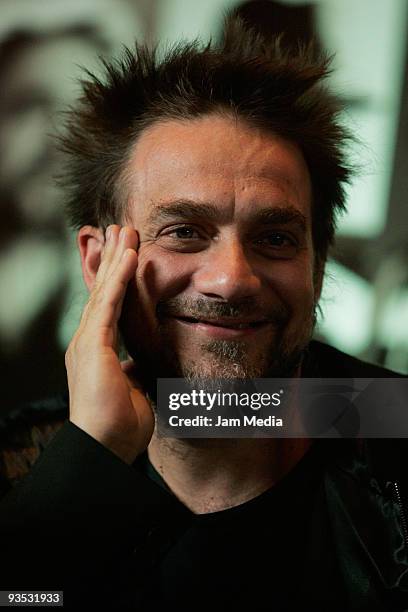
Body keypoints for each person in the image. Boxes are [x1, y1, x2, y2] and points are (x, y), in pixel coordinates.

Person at [0, 17, 407, 611]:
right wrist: (92, 458)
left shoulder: (390, 425)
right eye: (184, 232)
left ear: (318, 264)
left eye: (275, 238)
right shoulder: (21, 459)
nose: (232, 279)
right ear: (99, 261)